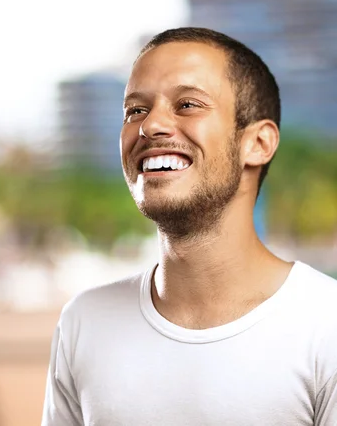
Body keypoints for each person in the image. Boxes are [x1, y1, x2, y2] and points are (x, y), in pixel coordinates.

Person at [42, 27, 337, 425]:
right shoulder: (84, 322)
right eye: (135, 110)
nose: (150, 126)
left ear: (258, 144)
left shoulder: (326, 324)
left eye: (187, 104)